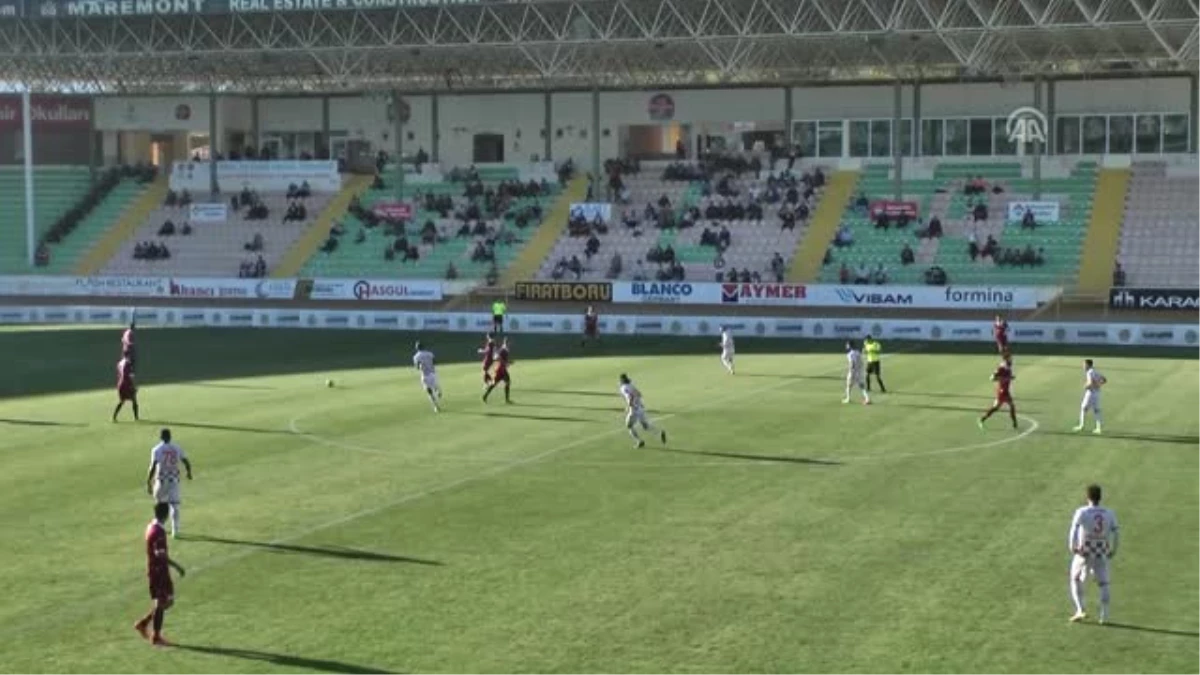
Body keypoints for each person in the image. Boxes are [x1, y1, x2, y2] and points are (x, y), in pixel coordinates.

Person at [133, 502, 186, 646]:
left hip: (156, 569)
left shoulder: (151, 526)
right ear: (166, 515)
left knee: (167, 601)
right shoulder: (158, 532)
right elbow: (160, 554)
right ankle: (156, 636)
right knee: (162, 602)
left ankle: (143, 623)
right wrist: (177, 566)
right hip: (159, 571)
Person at [1067, 484, 1120, 623]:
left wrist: (1072, 545)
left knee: (1075, 578)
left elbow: (1074, 528)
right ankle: (1105, 615)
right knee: (1104, 583)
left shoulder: (1082, 511)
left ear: (1087, 497)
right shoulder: (1109, 513)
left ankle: (1080, 609)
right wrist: (1114, 549)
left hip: (1084, 551)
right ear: (1100, 497)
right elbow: (1116, 532)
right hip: (1101, 551)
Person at [145, 428, 192, 538]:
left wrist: (148, 482)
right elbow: (186, 461)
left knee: (160, 504)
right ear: (170, 436)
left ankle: (160, 526)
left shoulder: (157, 449)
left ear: (161, 437)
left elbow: (152, 467)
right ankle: (175, 530)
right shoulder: (177, 448)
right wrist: (189, 472)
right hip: (174, 479)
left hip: (161, 480)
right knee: (174, 505)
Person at [618, 373, 667, 448]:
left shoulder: (624, 388)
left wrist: (629, 406)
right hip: (640, 408)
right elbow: (639, 394)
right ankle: (659, 433)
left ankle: (639, 441)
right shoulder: (631, 385)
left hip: (634, 409)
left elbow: (630, 396)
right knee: (645, 426)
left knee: (629, 426)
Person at [978, 361, 1018, 430]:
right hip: (1001, 391)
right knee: (996, 407)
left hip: (1006, 391)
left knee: (1012, 406)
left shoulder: (1009, 370)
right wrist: (1002, 379)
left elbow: (1009, 378)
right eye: (1008, 365)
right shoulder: (1000, 369)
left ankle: (1014, 423)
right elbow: (991, 378)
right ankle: (982, 419)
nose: (1009, 366)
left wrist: (1010, 378)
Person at [1074, 359, 1107, 434]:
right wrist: (1099, 385)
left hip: (1090, 393)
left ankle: (1081, 426)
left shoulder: (1089, 372)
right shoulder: (1095, 371)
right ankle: (1098, 428)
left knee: (1083, 408)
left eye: (1084, 365)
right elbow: (1104, 379)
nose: (1083, 366)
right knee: (1096, 410)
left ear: (1088, 365)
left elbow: (1090, 383)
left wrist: (1085, 386)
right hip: (1097, 393)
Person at [412, 341, 441, 413]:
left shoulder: (416, 356)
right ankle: (438, 391)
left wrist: (421, 366)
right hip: (433, 373)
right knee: (435, 386)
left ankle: (436, 407)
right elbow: (435, 362)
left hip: (425, 375)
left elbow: (417, 367)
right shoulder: (430, 353)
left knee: (429, 392)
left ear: (416, 348)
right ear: (423, 347)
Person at [483, 338, 512, 404]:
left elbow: (500, 358)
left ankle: (485, 396)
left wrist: (508, 362)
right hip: (501, 370)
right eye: (508, 343)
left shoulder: (505, 350)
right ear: (505, 343)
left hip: (500, 369)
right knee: (507, 382)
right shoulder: (503, 350)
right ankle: (507, 400)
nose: (509, 344)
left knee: (495, 383)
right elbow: (496, 357)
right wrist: (505, 363)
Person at [113, 353, 139, 422]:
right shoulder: (127, 363)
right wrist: (134, 386)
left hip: (120, 385)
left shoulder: (119, 363)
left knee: (121, 401)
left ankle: (114, 417)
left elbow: (119, 375)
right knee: (134, 400)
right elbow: (130, 375)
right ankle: (136, 418)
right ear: (128, 355)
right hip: (127, 384)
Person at [843, 341, 870, 405]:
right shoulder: (858, 352)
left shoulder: (850, 354)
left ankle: (848, 399)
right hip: (859, 371)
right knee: (861, 385)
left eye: (847, 345)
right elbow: (861, 362)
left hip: (853, 371)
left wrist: (850, 370)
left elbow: (852, 363)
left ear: (850, 345)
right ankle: (867, 398)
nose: (846, 346)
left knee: (849, 385)